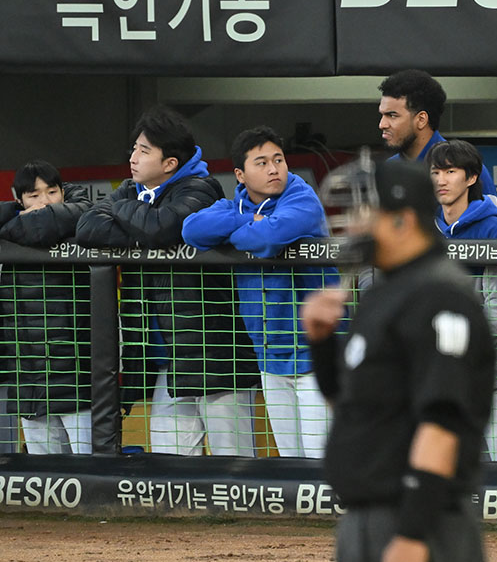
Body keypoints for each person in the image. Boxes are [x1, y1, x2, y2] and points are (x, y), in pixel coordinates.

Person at [303, 158, 493, 562]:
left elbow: (442, 425)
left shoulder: (441, 296)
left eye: (365, 212)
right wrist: (320, 344)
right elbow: (350, 404)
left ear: (404, 221)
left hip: (421, 522)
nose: (353, 224)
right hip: (364, 518)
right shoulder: (381, 293)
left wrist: (412, 534)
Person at [75, 106, 259, 456]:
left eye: (144, 151)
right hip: (167, 364)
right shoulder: (134, 191)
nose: (133, 158)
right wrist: (136, 219)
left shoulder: (202, 189)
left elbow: (162, 228)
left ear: (170, 163)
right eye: (134, 149)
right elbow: (87, 227)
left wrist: (122, 212)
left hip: (215, 359)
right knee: (167, 463)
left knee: (235, 465)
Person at [182, 126, 338, 458]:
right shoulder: (235, 205)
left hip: (316, 354)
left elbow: (268, 238)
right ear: (240, 174)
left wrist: (241, 228)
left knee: (321, 460)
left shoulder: (302, 196)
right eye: (262, 162)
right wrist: (246, 221)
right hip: (268, 355)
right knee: (291, 461)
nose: (273, 169)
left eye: (278, 160)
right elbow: (191, 229)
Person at [428, 139, 497, 462]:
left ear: (471, 178)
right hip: (443, 376)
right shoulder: (425, 232)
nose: (441, 179)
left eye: (451, 171)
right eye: (436, 171)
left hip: (495, 372)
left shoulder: (495, 229)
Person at [0, 160, 92, 454]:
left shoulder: (84, 221)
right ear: (18, 200)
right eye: (34, 195)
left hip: (79, 385)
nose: (44, 203)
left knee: (93, 477)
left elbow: (44, 225)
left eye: (52, 192)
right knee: (42, 482)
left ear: (63, 192)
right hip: (28, 383)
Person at [377, 69, 497, 204]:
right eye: (382, 115)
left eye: (392, 115)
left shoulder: (468, 167)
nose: (382, 124)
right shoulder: (389, 169)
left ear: (421, 119)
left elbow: (491, 224)